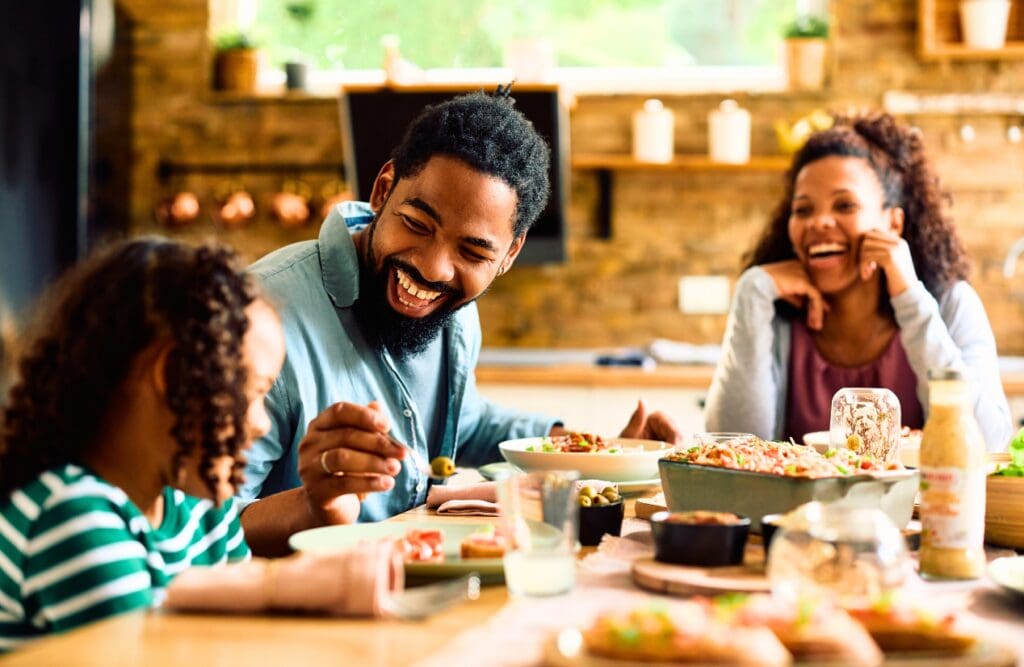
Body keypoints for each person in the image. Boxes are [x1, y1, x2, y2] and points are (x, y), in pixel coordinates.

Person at [240, 90, 680, 556]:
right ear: (383, 190)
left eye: (472, 252)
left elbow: (463, 423)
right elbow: (201, 524)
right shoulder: (260, 318)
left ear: (509, 254)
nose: (433, 268)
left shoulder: (455, 316)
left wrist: (602, 454)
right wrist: (317, 503)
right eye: (416, 223)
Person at [0, 239, 286, 649]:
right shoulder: (73, 515)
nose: (260, 423)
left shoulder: (203, 510)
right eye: (251, 392)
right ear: (171, 375)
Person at [705, 112, 1012, 452]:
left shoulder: (951, 304)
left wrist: (910, 299)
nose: (819, 222)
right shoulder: (777, 315)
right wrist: (752, 292)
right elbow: (731, 452)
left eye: (845, 205)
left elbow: (986, 443)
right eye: (803, 210)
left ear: (893, 223)